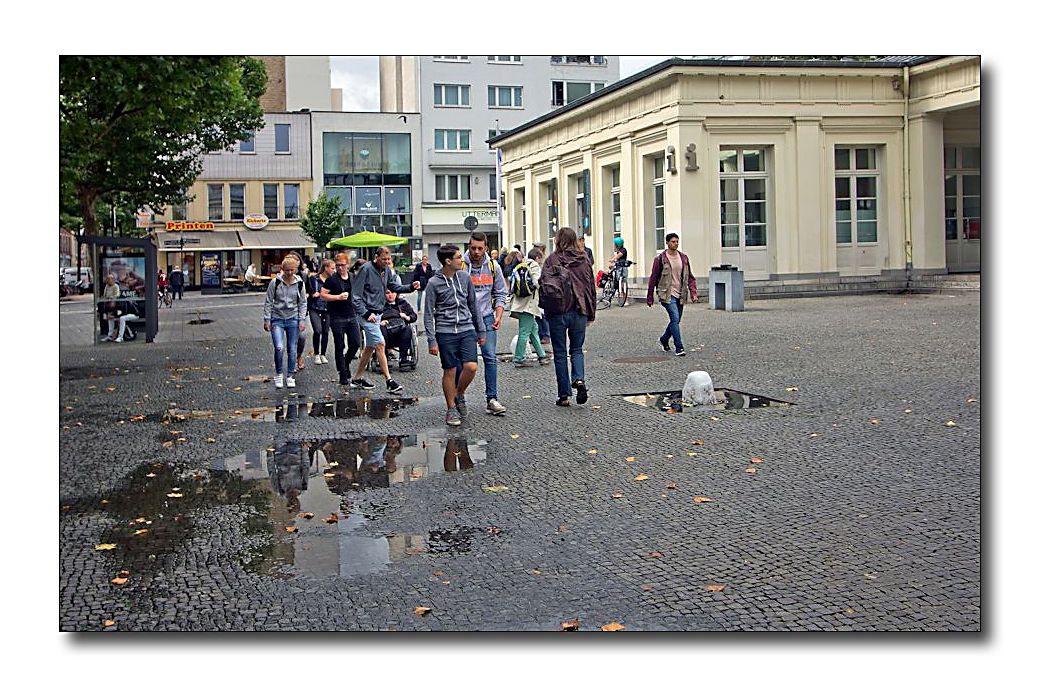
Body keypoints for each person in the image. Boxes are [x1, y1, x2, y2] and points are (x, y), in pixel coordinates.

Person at [424, 244, 486, 426]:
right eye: (459, 257)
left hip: (467, 329)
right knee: (449, 370)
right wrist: (431, 340)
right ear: (448, 261)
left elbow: (474, 305)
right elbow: (428, 313)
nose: (462, 259)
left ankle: (459, 393)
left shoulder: (465, 278)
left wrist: (481, 330)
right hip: (445, 331)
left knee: (471, 367)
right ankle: (451, 408)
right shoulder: (433, 283)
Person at [350, 246, 419, 394]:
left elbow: (393, 285)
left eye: (389, 259)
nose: (387, 262)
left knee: (370, 347)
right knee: (380, 343)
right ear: (376, 257)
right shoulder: (366, 269)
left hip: (378, 313)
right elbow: (355, 296)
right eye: (384, 259)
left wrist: (410, 288)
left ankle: (357, 378)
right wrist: (366, 313)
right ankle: (389, 381)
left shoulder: (386, 270)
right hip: (366, 315)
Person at [541, 227, 597, 406]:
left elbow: (543, 285)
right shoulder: (583, 260)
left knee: (559, 352)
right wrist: (591, 312)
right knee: (577, 349)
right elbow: (591, 288)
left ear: (557, 240)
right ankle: (579, 379)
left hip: (557, 311)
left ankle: (564, 395)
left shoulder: (552, 260)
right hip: (579, 310)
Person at [461, 231, 508, 416]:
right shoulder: (461, 266)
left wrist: (499, 315)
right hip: (465, 319)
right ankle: (459, 396)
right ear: (468, 247)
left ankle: (492, 398)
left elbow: (501, 293)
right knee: (465, 362)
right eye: (473, 248)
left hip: (487, 317)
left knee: (490, 357)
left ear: (486, 248)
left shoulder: (493, 266)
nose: (476, 251)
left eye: (480, 248)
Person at [645, 232, 699, 357]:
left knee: (676, 320)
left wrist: (693, 293)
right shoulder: (660, 259)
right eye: (673, 241)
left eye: (677, 241)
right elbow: (653, 278)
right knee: (674, 318)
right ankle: (679, 347)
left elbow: (690, 277)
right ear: (667, 243)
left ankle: (664, 339)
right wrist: (650, 297)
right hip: (667, 294)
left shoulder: (684, 258)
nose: (676, 243)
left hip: (681, 293)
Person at [263, 256, 308, 389]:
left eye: (292, 270)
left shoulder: (299, 283)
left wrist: (301, 320)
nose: (289, 273)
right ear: (282, 269)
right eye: (287, 270)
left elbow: (303, 303)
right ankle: (278, 374)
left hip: (293, 318)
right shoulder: (275, 283)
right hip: (277, 318)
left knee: (292, 349)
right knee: (279, 347)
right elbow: (268, 301)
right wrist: (267, 319)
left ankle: (289, 376)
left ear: (296, 270)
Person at [319, 253, 362, 385]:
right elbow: (322, 295)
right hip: (336, 316)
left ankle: (346, 361)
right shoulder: (332, 280)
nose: (340, 268)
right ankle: (342, 372)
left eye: (342, 265)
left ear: (348, 265)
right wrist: (337, 297)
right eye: (337, 266)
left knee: (356, 343)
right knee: (339, 345)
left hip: (351, 314)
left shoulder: (353, 278)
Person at [508, 247, 550, 369]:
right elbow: (537, 282)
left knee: (533, 329)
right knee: (525, 332)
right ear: (537, 257)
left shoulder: (522, 264)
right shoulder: (534, 265)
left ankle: (542, 356)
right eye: (540, 258)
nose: (541, 261)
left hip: (521, 303)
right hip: (528, 304)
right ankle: (519, 359)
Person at [380, 289, 418, 370]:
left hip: (400, 329)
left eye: (393, 292)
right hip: (386, 330)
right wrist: (379, 321)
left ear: (396, 293)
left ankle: (403, 359)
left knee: (408, 329)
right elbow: (372, 317)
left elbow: (414, 316)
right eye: (387, 293)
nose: (390, 295)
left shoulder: (402, 303)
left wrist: (406, 317)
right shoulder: (380, 304)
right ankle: (383, 359)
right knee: (381, 329)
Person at [308, 259, 333, 366]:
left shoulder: (332, 280)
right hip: (314, 307)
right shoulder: (313, 279)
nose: (334, 270)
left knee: (326, 331)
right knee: (317, 330)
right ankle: (317, 354)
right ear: (325, 268)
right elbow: (308, 290)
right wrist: (312, 294)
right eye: (332, 268)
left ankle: (323, 354)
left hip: (327, 308)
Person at [532, 242, 552, 351]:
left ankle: (546, 334)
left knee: (543, 314)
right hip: (538, 291)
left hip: (543, 290)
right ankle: (540, 334)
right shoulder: (537, 260)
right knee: (537, 314)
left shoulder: (545, 261)